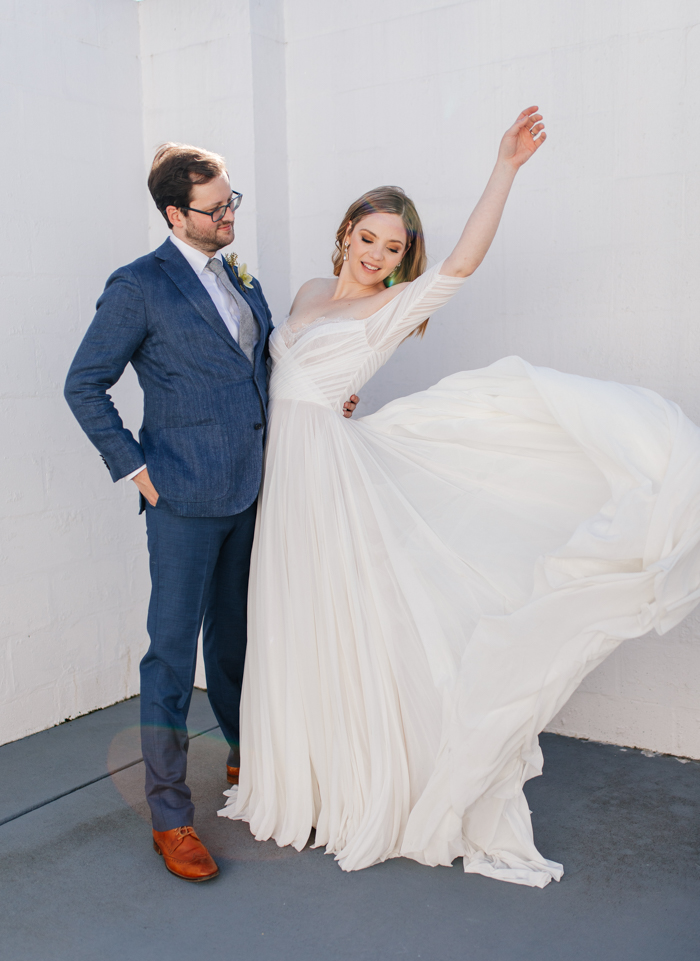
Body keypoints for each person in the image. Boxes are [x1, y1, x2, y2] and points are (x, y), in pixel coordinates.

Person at [220, 107, 700, 887]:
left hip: (327, 486)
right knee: (291, 619)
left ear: (405, 259)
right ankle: (295, 775)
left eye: (394, 248)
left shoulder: (389, 309)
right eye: (368, 238)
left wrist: (504, 167)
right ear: (346, 232)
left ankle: (357, 781)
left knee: (343, 623)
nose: (377, 256)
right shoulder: (308, 289)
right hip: (286, 482)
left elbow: (464, 265)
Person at [64, 142, 360, 882]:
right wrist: (137, 470)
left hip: (254, 490)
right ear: (175, 213)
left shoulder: (236, 274)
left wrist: (324, 397)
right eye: (216, 206)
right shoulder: (139, 285)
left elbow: (257, 369)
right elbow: (84, 384)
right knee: (171, 657)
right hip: (183, 500)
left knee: (237, 643)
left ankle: (247, 759)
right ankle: (170, 815)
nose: (230, 215)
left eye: (233, 201)